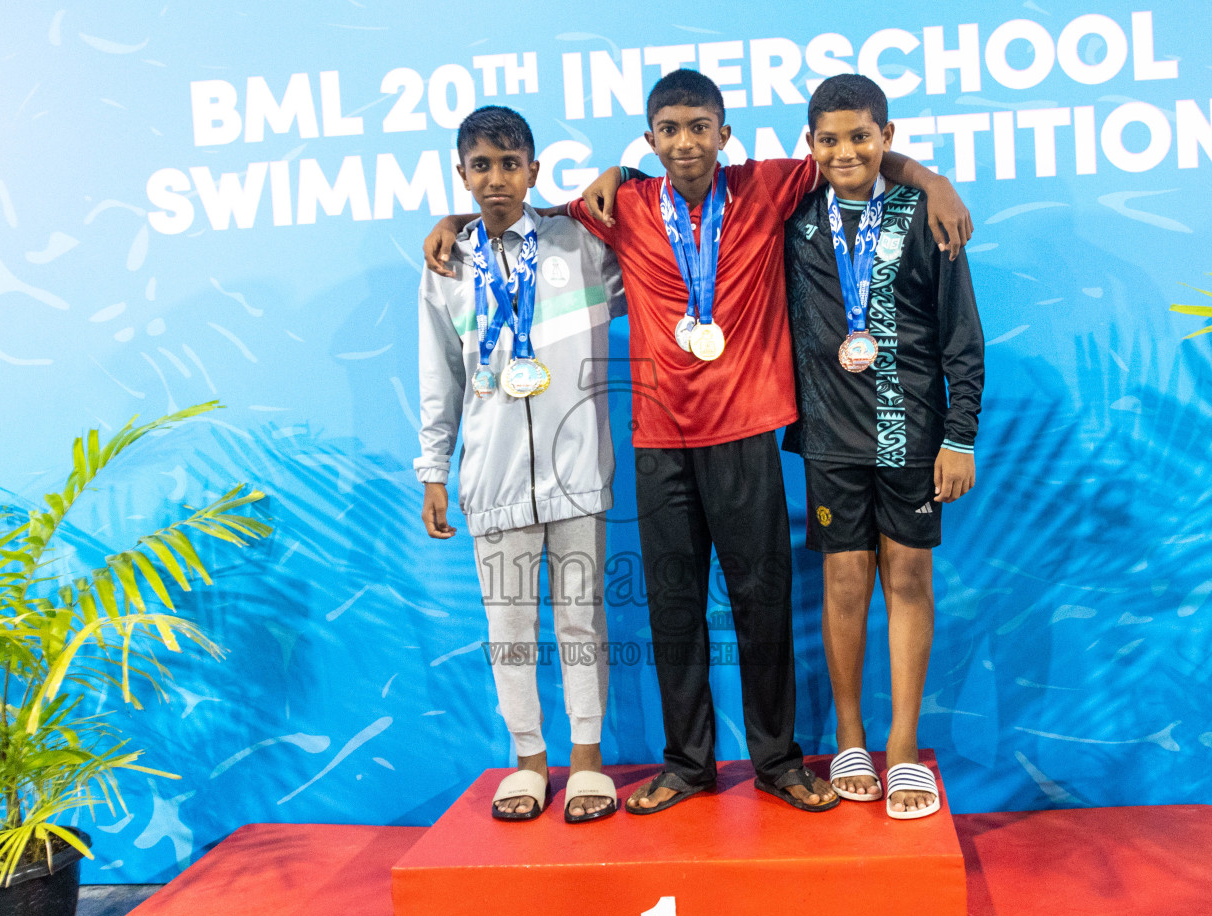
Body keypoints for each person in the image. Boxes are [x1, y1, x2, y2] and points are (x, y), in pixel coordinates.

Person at [513, 69, 972, 815]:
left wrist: (933, 180)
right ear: (651, 139)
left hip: (749, 428)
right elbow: (527, 220)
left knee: (762, 603)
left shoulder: (767, 187)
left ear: (725, 135)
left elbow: (850, 152)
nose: (686, 142)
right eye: (669, 130)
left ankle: (779, 762)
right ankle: (688, 764)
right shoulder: (623, 204)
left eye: (701, 127)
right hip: (659, 439)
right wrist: (451, 227)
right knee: (674, 606)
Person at [781, 74, 984, 818]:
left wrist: (959, 436)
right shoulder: (794, 218)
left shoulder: (929, 216)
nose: (846, 151)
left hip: (914, 435)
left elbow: (963, 335)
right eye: (829, 139)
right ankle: (850, 737)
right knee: (841, 588)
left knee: (907, 579)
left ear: (886, 137)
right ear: (810, 147)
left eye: (861, 136)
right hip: (832, 439)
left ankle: (902, 747)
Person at [415, 106, 624, 824]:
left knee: (580, 623)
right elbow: (437, 374)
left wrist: (621, 175)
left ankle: (588, 760)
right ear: (462, 174)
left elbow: (662, 242)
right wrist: (434, 469)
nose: (496, 179)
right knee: (508, 631)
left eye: (510, 164)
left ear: (534, 170)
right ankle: (530, 761)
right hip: (493, 481)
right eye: (481, 166)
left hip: (577, 476)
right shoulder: (446, 266)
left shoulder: (581, 247)